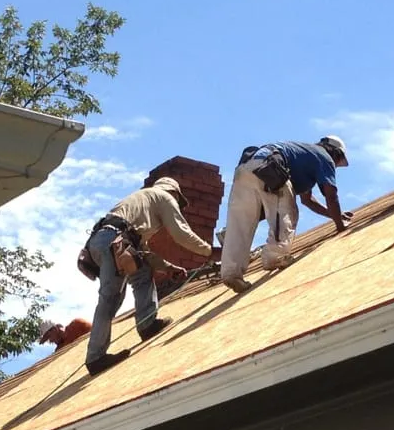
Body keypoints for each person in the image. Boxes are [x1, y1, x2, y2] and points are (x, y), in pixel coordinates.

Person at [83, 177, 213, 376]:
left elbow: (144, 254)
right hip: (115, 243)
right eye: (178, 202)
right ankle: (95, 357)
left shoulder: (141, 202)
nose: (177, 206)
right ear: (174, 193)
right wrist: (208, 251)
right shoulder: (164, 197)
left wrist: (169, 268)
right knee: (110, 298)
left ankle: (147, 324)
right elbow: (181, 233)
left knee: (141, 272)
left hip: (103, 241)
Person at [219, 135, 353, 293]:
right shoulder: (325, 157)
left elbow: (308, 200)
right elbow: (331, 196)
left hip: (246, 168)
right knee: (287, 211)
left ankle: (231, 273)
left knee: (240, 223)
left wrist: (335, 215)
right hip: (270, 168)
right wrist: (340, 226)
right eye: (337, 163)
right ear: (335, 153)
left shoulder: (305, 155)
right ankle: (275, 257)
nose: (335, 167)